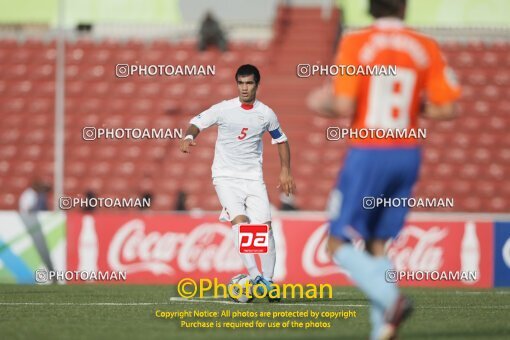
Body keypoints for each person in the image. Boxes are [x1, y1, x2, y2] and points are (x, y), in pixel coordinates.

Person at [307, 0, 461, 338]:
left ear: (371, 8)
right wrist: (412, 105)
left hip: (370, 151)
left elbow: (344, 104)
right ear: (404, 8)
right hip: (407, 153)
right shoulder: (425, 46)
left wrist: (321, 103)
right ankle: (382, 331)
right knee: (378, 244)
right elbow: (448, 108)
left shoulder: (356, 42)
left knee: (337, 243)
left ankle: (391, 299)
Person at [179, 64, 295, 301]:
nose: (244, 88)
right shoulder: (224, 109)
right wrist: (189, 136)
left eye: (249, 83)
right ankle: (255, 278)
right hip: (225, 177)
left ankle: (269, 282)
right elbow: (198, 122)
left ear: (257, 85)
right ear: (236, 84)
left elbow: (281, 140)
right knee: (240, 223)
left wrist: (285, 171)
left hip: (253, 178)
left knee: (264, 229)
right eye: (241, 83)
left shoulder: (266, 114)